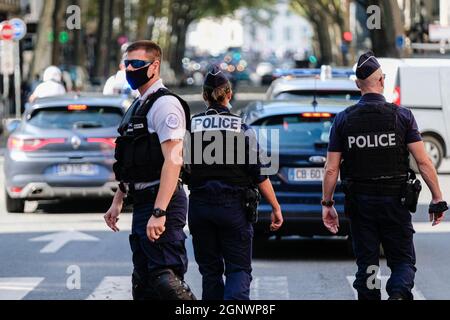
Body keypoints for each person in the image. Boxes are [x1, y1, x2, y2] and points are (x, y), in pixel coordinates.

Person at [322, 51, 448, 300]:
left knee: (367, 265)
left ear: (358, 85)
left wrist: (327, 204)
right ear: (382, 81)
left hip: (361, 205)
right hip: (395, 203)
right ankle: (399, 294)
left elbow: (331, 169)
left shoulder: (343, 120)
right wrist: (437, 198)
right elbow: (423, 162)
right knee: (402, 261)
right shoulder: (402, 116)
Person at [104, 40, 196, 300]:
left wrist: (159, 211)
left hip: (162, 200)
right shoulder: (138, 105)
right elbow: (133, 161)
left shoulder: (165, 105)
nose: (130, 69)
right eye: (126, 64)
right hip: (143, 201)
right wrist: (118, 200)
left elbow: (174, 160)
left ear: (154, 66)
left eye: (137, 64)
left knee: (165, 280)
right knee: (144, 283)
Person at [187, 65, 284, 300]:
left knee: (210, 272)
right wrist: (276, 207)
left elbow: (179, 168)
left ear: (204, 96)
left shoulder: (190, 127)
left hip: (200, 207)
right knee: (238, 270)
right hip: (234, 207)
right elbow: (259, 174)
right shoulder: (242, 129)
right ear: (229, 94)